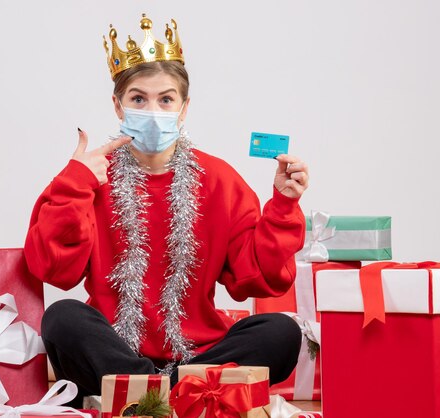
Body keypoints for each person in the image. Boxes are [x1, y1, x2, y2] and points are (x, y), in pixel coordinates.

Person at [24, 14, 309, 403]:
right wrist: (74, 183)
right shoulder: (91, 176)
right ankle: (180, 394)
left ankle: (147, 394)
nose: (153, 110)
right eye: (138, 98)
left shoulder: (220, 179)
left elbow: (255, 279)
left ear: (184, 108)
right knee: (62, 318)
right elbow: (52, 269)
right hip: (114, 350)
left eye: (166, 99)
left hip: (199, 352)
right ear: (118, 106)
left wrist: (282, 206)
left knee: (282, 332)